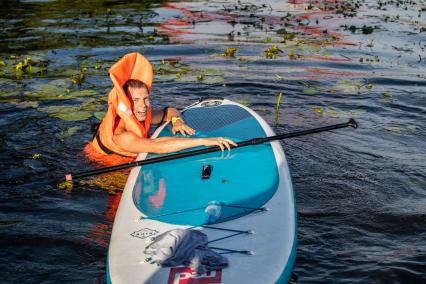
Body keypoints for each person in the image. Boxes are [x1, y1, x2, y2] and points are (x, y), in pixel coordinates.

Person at [85, 52, 236, 164]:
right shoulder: (122, 135)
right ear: (127, 103)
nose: (143, 106)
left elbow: (169, 111)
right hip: (104, 167)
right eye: (136, 100)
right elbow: (157, 145)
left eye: (145, 99)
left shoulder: (140, 113)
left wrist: (177, 121)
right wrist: (204, 141)